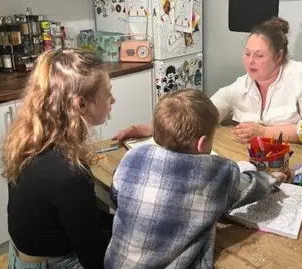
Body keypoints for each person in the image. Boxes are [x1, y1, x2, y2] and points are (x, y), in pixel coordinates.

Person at [104, 89, 283, 269]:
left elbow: (115, 193)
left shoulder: (133, 155)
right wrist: (273, 178)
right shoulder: (218, 171)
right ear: (202, 143)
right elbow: (251, 188)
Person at [111, 16, 302, 145]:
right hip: (253, 160)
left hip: (299, 165)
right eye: (247, 54)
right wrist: (151, 128)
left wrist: (264, 132)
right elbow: (200, 114)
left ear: (279, 56)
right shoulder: (241, 85)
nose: (250, 62)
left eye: (259, 56)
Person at [1, 49, 116, 269]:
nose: (113, 99)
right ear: (80, 104)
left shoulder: (32, 142)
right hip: (52, 263)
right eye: (107, 93)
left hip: (21, 256)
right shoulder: (69, 172)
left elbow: (80, 219)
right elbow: (94, 258)